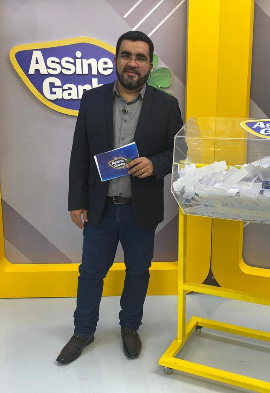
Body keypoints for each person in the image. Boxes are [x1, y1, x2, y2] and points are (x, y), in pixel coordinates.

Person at [56, 31, 183, 364]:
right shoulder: (92, 100)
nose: (132, 63)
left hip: (141, 209)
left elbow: (178, 152)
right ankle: (83, 332)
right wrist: (76, 201)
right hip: (100, 209)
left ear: (150, 64)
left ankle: (130, 327)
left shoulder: (167, 105)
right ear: (116, 60)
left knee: (138, 272)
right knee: (90, 273)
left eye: (140, 57)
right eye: (126, 55)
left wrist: (155, 164)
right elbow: (80, 153)